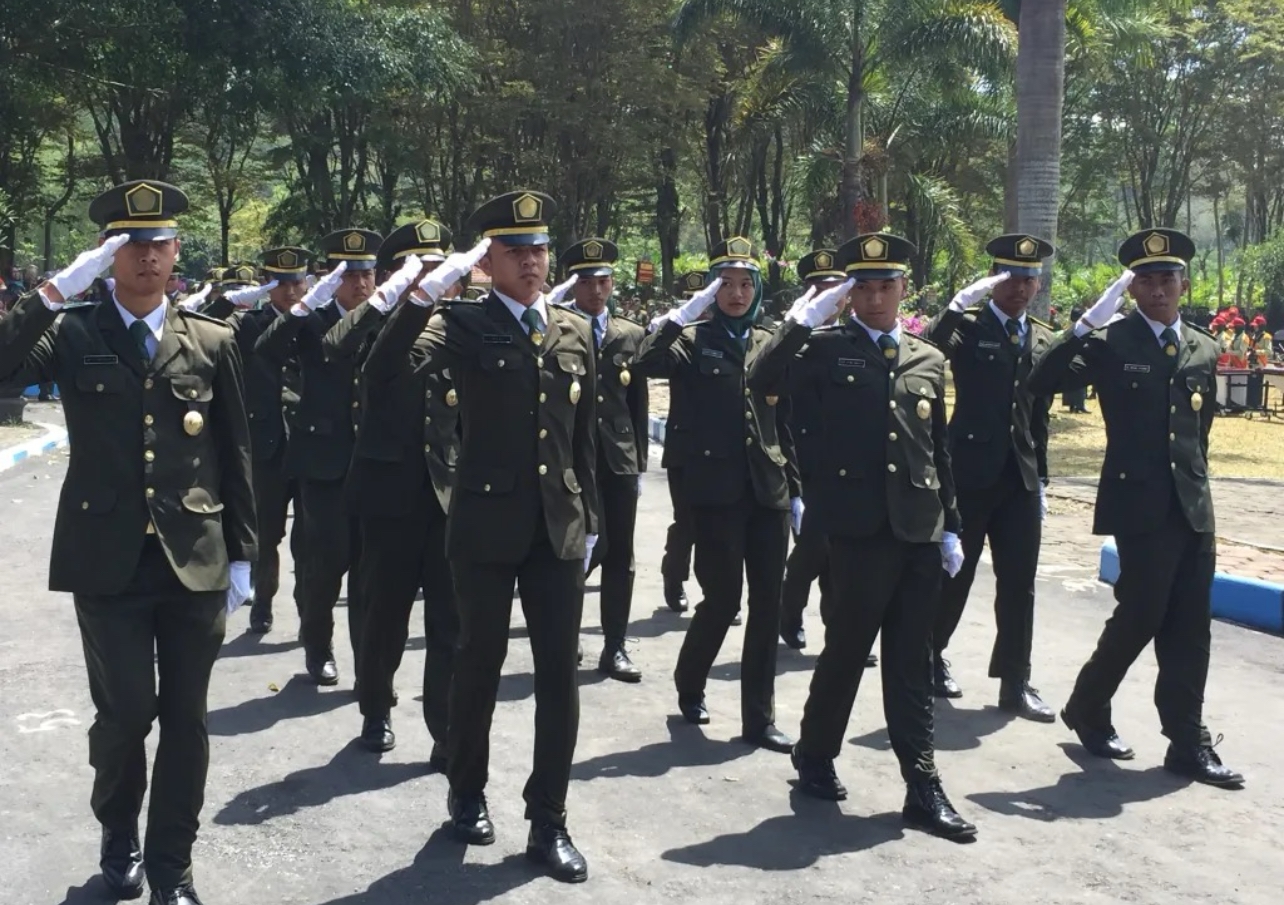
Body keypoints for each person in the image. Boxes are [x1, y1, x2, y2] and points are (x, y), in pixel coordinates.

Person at [0, 180, 257, 904]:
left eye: (159, 243)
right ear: (109, 257)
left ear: (178, 252)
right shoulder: (74, 330)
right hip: (105, 558)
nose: (148, 257)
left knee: (186, 718)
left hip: (194, 557)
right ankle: (119, 830)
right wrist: (52, 291)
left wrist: (245, 552)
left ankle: (173, 861)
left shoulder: (211, 340)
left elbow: (236, 453)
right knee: (125, 715)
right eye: (130, 245)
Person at [376, 191, 599, 883]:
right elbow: (385, 373)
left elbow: (582, 436)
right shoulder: (461, 325)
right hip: (483, 524)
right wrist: (421, 296)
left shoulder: (572, 328)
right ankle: (467, 791)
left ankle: (549, 818)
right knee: (480, 662)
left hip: (556, 527)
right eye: (515, 250)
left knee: (560, 675)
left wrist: (591, 518)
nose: (531, 261)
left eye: (538, 249)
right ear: (489, 259)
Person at [747, 233, 976, 840]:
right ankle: (816, 753)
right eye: (864, 287)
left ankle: (922, 786)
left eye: (886, 285)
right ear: (850, 295)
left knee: (910, 661)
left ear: (905, 288)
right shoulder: (825, 350)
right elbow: (761, 379)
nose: (876, 297)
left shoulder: (927, 358)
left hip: (920, 531)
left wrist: (950, 524)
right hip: (857, 533)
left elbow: (938, 451)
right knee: (847, 653)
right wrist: (803, 320)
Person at [1028, 228, 1244, 788]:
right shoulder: (1112, 342)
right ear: (1134, 288)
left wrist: (1195, 483)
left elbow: (1202, 429)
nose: (1157, 289)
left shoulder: (1203, 345)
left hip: (1192, 503)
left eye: (1165, 278)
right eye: (1145, 280)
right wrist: (1083, 326)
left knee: (1191, 625)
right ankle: (1088, 705)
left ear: (1182, 283)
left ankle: (1186, 740)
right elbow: (1040, 381)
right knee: (1143, 614)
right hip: (1138, 503)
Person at [633, 237, 796, 754]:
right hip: (714, 490)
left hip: (766, 488)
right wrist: (683, 314)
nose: (737, 293)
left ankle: (759, 717)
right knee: (724, 599)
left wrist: (797, 489)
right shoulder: (692, 338)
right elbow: (647, 362)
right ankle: (690, 680)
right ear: (711, 290)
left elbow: (784, 420)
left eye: (746, 284)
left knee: (767, 604)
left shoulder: (769, 340)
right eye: (725, 284)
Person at [926, 235, 1056, 721]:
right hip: (970, 473)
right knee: (955, 574)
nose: (1020, 288)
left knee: (1019, 583)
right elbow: (931, 348)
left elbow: (1038, 413)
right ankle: (931, 656)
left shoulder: (1040, 337)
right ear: (994, 281)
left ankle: (1015, 681)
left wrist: (1040, 476)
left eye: (1028, 279)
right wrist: (960, 305)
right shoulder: (970, 329)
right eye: (1010, 278)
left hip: (1019, 477)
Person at [346, 219, 462, 762]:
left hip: (448, 493)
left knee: (450, 619)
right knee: (383, 613)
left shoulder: (463, 326)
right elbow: (371, 367)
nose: (434, 279)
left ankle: (444, 725)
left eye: (440, 268)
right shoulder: (372, 326)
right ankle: (376, 708)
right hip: (389, 493)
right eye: (421, 268)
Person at [255, 228, 382, 685]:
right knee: (323, 567)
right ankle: (319, 647)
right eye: (350, 275)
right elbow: (266, 349)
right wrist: (306, 304)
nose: (360, 284)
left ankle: (368, 663)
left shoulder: (382, 318)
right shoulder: (310, 319)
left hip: (371, 461)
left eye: (367, 273)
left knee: (369, 574)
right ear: (332, 277)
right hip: (322, 463)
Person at [563, 238, 650, 682]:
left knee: (619, 553)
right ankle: (565, 634)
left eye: (603, 281)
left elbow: (637, 405)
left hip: (616, 459)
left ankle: (614, 646)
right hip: (572, 460)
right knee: (573, 553)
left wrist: (638, 465)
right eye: (586, 281)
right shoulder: (558, 330)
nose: (596, 290)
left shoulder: (629, 334)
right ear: (572, 285)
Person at [222, 247, 308, 633]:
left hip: (311, 446)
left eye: (297, 282)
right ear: (267, 286)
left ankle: (311, 618)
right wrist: (232, 302)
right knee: (266, 535)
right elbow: (205, 326)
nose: (291, 291)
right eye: (281, 283)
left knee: (312, 543)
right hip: (266, 446)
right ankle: (263, 602)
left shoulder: (316, 322)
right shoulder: (248, 325)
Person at [778, 249, 844, 652]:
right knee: (813, 549)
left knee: (840, 554)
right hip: (800, 459)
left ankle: (838, 630)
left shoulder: (852, 338)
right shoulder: (792, 338)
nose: (828, 298)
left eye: (834, 290)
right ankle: (790, 609)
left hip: (844, 462)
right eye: (819, 289)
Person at [658, 271, 708, 615]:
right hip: (686, 451)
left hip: (724, 450)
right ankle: (674, 576)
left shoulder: (731, 335)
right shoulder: (681, 339)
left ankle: (716, 592)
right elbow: (651, 360)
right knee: (687, 522)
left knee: (718, 526)